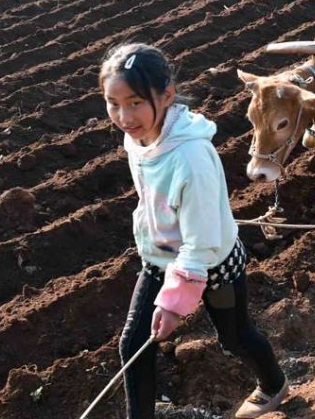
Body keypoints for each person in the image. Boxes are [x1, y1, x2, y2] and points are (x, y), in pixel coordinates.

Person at [100, 43, 289, 419]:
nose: (124, 115)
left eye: (135, 102)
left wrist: (174, 304)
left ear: (166, 95)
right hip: (160, 258)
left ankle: (273, 385)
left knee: (235, 338)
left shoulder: (190, 158)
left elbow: (201, 243)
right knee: (134, 344)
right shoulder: (137, 137)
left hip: (213, 262)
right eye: (113, 102)